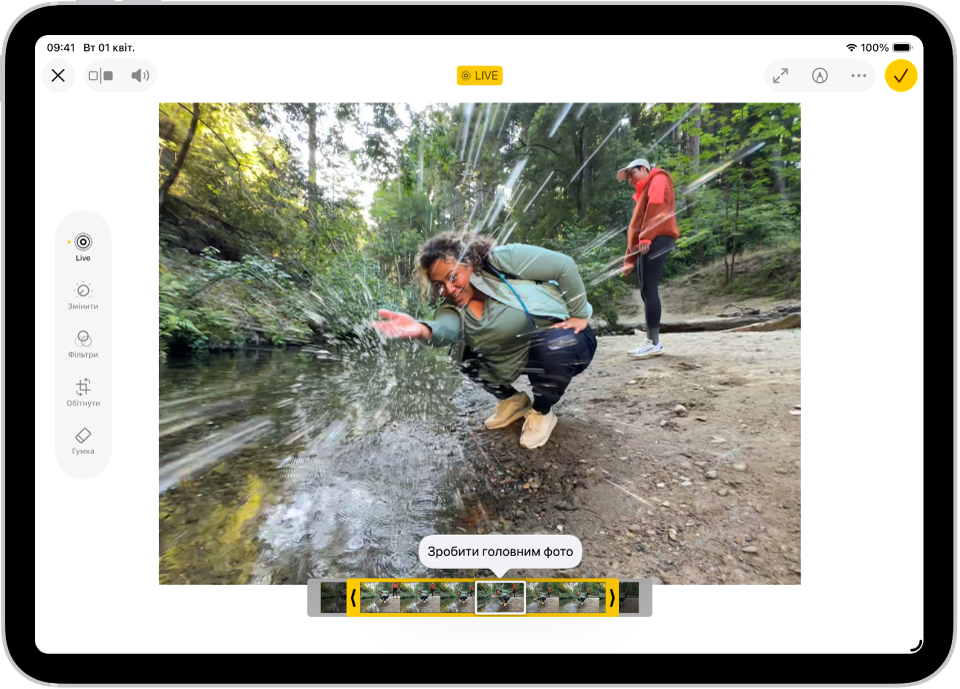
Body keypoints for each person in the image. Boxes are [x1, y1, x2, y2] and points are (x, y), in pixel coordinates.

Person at [375, 231, 597, 449]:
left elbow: (564, 265)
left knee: (553, 346)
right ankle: (513, 401)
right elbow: (447, 329)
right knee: (461, 353)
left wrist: (578, 315)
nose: (449, 289)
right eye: (440, 284)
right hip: (522, 354)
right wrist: (423, 329)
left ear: (469, 262)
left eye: (453, 277)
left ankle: (541, 411)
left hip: (567, 340)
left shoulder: (502, 260)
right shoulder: (451, 307)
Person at [617, 158, 679, 359]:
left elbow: (657, 207)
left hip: (659, 237)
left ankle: (653, 342)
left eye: (631, 174)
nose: (629, 180)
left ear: (644, 168)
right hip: (651, 238)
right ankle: (652, 340)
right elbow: (634, 228)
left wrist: (647, 236)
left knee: (649, 288)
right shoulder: (643, 193)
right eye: (626, 178)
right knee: (645, 290)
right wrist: (629, 260)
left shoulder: (659, 178)